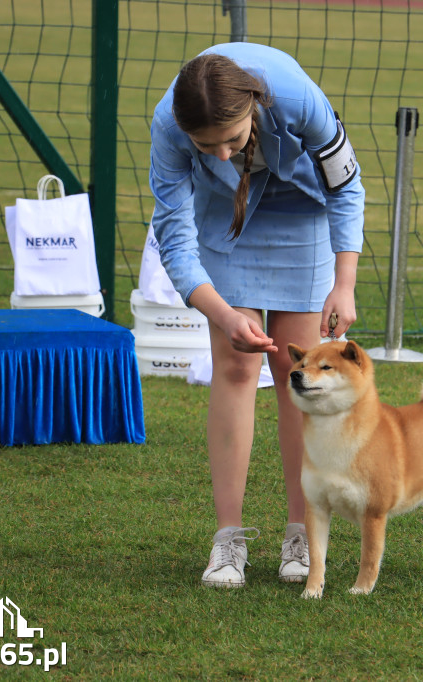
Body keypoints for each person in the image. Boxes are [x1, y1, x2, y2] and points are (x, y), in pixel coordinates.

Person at [149, 42, 365, 588]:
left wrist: (344, 284)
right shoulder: (169, 125)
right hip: (225, 216)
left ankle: (303, 531)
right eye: (207, 146)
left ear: (254, 109)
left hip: (301, 211)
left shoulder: (297, 99)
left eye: (233, 139)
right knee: (238, 366)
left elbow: (346, 186)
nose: (220, 154)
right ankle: (228, 541)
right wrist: (222, 315)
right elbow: (174, 238)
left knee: (299, 376)